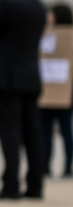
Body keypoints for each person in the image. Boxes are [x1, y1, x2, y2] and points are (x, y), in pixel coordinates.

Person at [0, 0, 47, 200]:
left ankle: (11, 185)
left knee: (10, 132)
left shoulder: (7, 5)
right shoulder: (38, 6)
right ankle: (36, 185)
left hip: (8, 77)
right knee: (33, 133)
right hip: (31, 76)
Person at [39, 4, 73, 179]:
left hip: (51, 89)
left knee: (48, 131)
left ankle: (47, 164)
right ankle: (66, 164)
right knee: (65, 130)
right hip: (63, 90)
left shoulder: (47, 34)